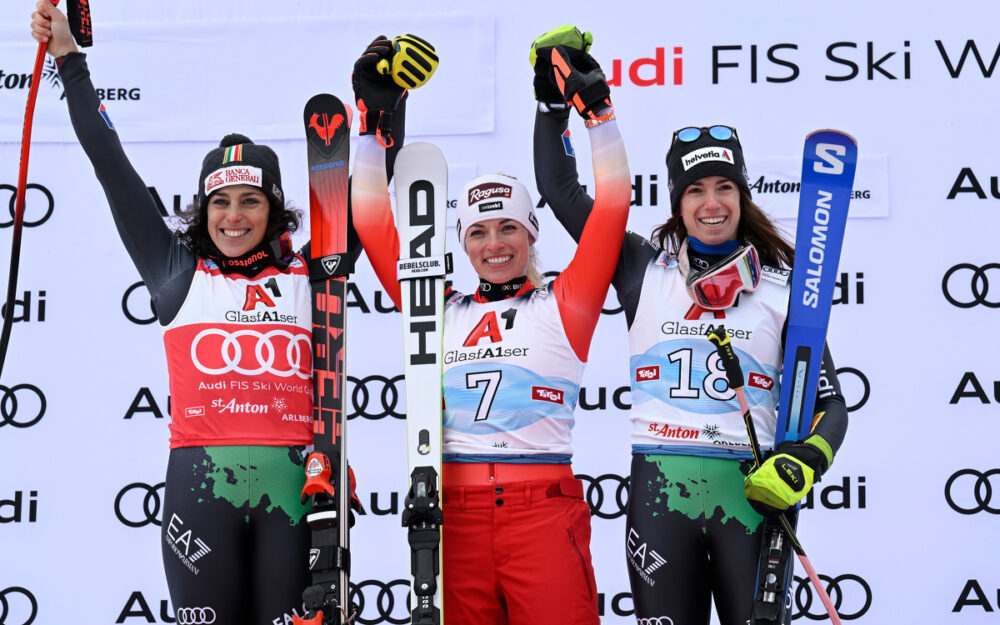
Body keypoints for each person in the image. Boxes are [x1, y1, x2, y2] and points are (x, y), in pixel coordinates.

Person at [29, 4, 415, 624]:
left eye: (251, 201)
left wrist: (381, 110)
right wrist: (71, 60)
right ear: (203, 210)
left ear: (274, 210)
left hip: (297, 486)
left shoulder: (313, 274)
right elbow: (109, 161)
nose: (234, 216)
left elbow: (362, 193)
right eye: (222, 202)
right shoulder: (176, 272)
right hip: (201, 488)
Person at [530, 26, 849, 625]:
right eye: (695, 189)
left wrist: (804, 460)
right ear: (676, 200)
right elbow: (561, 190)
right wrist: (554, 107)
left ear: (742, 196)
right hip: (660, 496)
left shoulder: (784, 289)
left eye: (724, 187)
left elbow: (832, 408)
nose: (711, 203)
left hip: (750, 499)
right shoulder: (638, 269)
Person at [350, 46, 630, 625]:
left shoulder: (565, 303)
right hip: (453, 517)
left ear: (531, 235)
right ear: (462, 243)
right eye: (478, 232)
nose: (494, 243)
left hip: (543, 515)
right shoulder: (433, 308)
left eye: (508, 228)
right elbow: (370, 218)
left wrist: (598, 113)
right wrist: (371, 128)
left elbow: (613, 205)